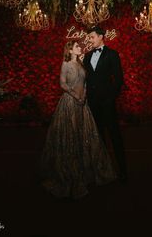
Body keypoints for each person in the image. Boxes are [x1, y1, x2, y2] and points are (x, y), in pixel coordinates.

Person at [41, 40, 116, 199]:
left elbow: (85, 82)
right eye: (76, 46)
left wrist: (84, 95)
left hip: (83, 103)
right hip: (69, 103)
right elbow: (62, 83)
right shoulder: (66, 64)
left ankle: (86, 170)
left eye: (78, 46)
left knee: (85, 136)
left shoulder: (81, 63)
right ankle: (70, 172)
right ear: (69, 50)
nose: (79, 48)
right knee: (71, 135)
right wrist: (75, 95)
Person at [83, 26, 128, 182]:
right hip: (92, 104)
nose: (90, 39)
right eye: (89, 37)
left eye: (92, 37)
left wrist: (110, 99)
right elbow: (88, 80)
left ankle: (123, 171)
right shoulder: (87, 56)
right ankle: (101, 170)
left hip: (107, 103)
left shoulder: (112, 55)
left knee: (114, 136)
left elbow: (119, 80)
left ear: (101, 36)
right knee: (98, 137)